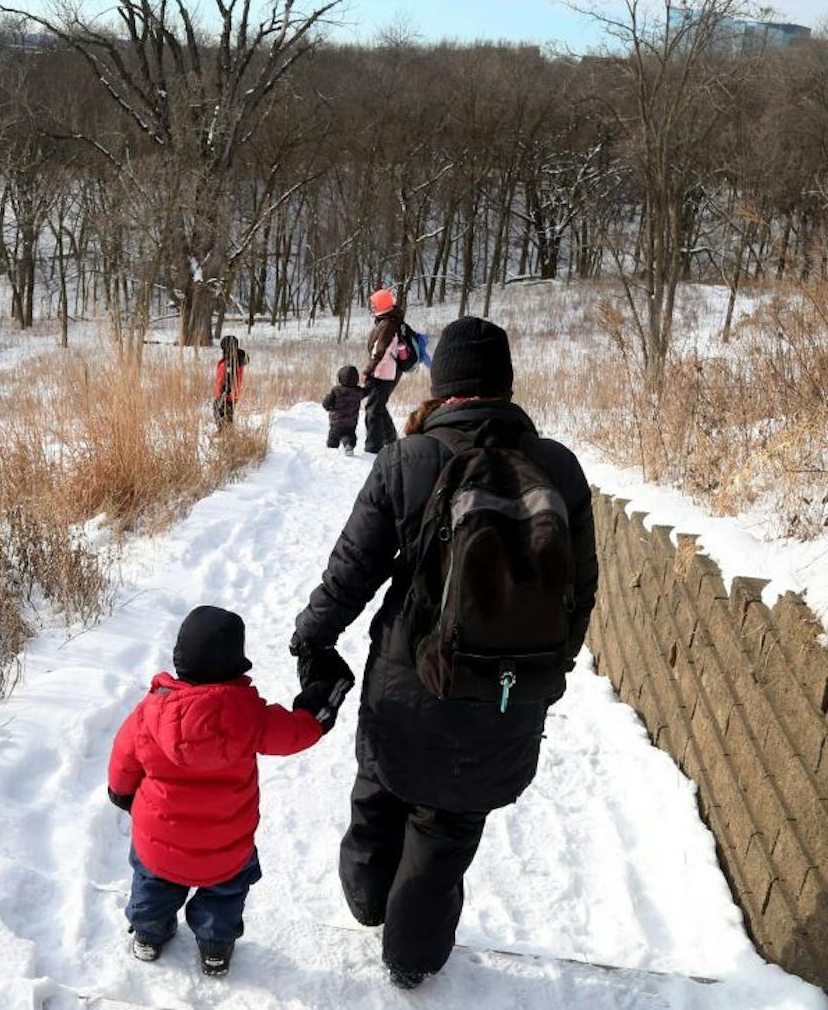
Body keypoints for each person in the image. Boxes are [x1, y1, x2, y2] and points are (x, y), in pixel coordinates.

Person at [288, 316, 599, 990]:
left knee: (379, 792)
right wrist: (544, 673)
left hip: (405, 690)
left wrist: (311, 636)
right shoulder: (559, 468)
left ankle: (368, 897)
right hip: (506, 700)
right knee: (447, 833)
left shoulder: (410, 459)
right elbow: (581, 592)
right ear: (505, 384)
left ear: (444, 383)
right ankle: (412, 959)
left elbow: (351, 571)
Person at [107, 605, 334, 977]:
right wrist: (317, 707)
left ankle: (148, 935)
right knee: (224, 895)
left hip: (159, 842)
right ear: (235, 666)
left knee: (153, 883)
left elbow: (123, 758)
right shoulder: (249, 715)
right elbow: (296, 733)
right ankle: (215, 948)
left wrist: (120, 793)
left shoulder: (150, 711)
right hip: (226, 848)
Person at [361, 288, 405, 455]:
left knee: (373, 409)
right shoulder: (387, 319)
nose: (372, 306)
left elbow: (382, 352)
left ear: (382, 304)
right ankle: (391, 439)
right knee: (377, 405)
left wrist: (368, 371)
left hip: (385, 373)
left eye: (374, 303)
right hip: (385, 371)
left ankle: (373, 447)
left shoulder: (388, 324)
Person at [321, 365, 365, 453]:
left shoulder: (336, 391)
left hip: (336, 422)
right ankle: (349, 445)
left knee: (333, 437)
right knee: (349, 435)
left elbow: (326, 403)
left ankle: (331, 450)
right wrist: (371, 381)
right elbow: (367, 390)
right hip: (350, 423)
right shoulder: (358, 392)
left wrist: (328, 407)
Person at [212, 335, 248, 430]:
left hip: (226, 396)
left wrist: (224, 391)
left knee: (223, 418)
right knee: (225, 417)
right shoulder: (235, 359)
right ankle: (225, 435)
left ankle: (225, 436)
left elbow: (229, 377)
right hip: (229, 395)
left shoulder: (231, 361)